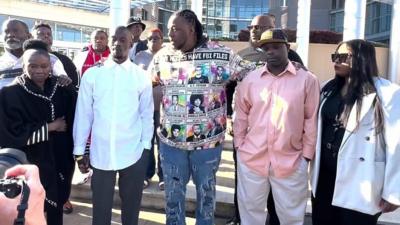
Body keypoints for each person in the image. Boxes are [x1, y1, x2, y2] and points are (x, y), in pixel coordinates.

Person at [148, 9, 254, 224]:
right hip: (171, 143)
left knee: (206, 197)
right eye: (169, 29)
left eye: (175, 29)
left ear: (191, 29)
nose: (170, 34)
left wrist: (290, 66)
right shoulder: (162, 56)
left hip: (208, 145)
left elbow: (251, 74)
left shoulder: (222, 54)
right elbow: (147, 85)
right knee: (173, 197)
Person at [233, 29, 320, 225]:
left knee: (291, 218)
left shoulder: (307, 80)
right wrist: (239, 146)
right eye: (266, 48)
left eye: (276, 47)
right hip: (252, 159)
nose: (271, 52)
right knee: (250, 214)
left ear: (287, 48)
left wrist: (305, 156)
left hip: (291, 160)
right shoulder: (250, 80)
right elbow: (241, 117)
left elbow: (311, 119)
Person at [310, 39, 400, 225]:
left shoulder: (388, 93)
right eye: (335, 56)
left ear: (362, 59)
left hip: (361, 179)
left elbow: (396, 144)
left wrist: (393, 191)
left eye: (343, 57)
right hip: (325, 178)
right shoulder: (328, 88)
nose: (336, 61)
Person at [73, 26, 154, 225]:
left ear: (131, 43)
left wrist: (145, 147)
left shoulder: (141, 76)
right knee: (100, 210)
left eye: (123, 39)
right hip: (101, 153)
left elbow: (146, 114)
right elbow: (84, 114)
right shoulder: (92, 75)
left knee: (131, 208)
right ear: (110, 42)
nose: (118, 42)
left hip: (133, 151)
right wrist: (79, 150)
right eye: (114, 39)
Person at [0, 39, 77, 225]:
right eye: (32, 66)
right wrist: (50, 127)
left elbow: (76, 116)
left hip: (59, 157)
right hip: (31, 160)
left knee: (56, 204)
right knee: (29, 206)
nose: (39, 70)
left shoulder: (61, 88)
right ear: (23, 66)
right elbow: (10, 132)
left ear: (50, 66)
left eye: (44, 66)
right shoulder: (10, 94)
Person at [31, 22, 78, 214]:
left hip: (60, 128)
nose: (45, 36)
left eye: (48, 34)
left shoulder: (64, 61)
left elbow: (73, 92)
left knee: (63, 167)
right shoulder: (23, 62)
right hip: (34, 129)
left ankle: (64, 198)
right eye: (40, 33)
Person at [0, 19, 70, 90]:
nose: (10, 35)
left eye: (15, 31)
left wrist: (62, 78)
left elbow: (63, 82)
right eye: (6, 31)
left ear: (29, 36)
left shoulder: (50, 59)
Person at [134, 28, 164, 190]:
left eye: (157, 38)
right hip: (145, 107)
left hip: (164, 108)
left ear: (162, 40)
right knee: (147, 141)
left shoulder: (167, 56)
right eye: (151, 38)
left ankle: (163, 176)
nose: (154, 41)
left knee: (162, 142)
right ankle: (146, 174)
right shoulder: (139, 57)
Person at [32, 22, 79, 88]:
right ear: (32, 37)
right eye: (41, 34)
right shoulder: (27, 58)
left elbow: (74, 82)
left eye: (49, 34)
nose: (46, 36)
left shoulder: (64, 59)